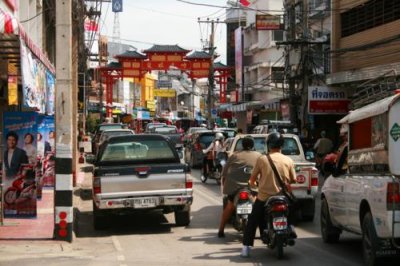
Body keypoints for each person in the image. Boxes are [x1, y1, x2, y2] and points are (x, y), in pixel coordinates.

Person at [241, 132, 297, 258]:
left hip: (264, 197)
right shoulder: (288, 160)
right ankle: (291, 227)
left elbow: (252, 179)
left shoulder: (262, 159)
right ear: (281, 145)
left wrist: (254, 184)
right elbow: (293, 180)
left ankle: (246, 248)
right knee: (294, 207)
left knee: (253, 220)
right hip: (283, 197)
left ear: (268, 145)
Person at [218, 136, 261, 237]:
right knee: (257, 207)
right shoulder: (259, 156)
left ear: (242, 145)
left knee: (230, 206)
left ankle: (221, 230)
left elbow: (224, 173)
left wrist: (225, 185)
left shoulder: (234, 155)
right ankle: (263, 230)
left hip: (235, 188)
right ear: (253, 145)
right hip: (252, 187)